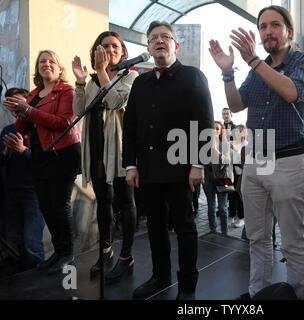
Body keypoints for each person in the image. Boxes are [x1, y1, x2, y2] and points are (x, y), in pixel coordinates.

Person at [209, 5, 304, 299]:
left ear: (289, 31)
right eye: (263, 27)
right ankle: (258, 295)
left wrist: (254, 61)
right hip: (256, 163)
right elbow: (235, 105)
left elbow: (293, 91)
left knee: (292, 243)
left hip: (288, 161)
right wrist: (227, 73)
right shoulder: (257, 70)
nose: (267, 31)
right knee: (257, 239)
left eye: (274, 25)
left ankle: (297, 297)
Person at [123, 21, 214, 300]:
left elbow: (204, 122)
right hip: (148, 168)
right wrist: (130, 164)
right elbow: (131, 126)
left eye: (165, 37)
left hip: (182, 167)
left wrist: (199, 164)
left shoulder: (193, 76)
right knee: (154, 226)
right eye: (153, 38)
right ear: (148, 48)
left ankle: (187, 286)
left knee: (185, 227)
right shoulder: (140, 82)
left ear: (176, 45)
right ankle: (159, 276)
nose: (159, 41)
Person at [3, 50, 81, 275]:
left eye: (51, 61)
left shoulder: (65, 90)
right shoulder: (34, 93)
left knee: (59, 206)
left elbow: (64, 122)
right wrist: (18, 113)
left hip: (62, 154)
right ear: (38, 68)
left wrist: (29, 110)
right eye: (42, 62)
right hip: (40, 155)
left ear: (59, 68)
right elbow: (23, 128)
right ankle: (58, 253)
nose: (46, 64)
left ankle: (68, 255)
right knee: (46, 207)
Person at [72, 31, 138, 282]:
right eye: (104, 46)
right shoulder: (91, 81)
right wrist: (80, 81)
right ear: (96, 50)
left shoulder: (131, 76)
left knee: (125, 202)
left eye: (114, 46)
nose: (109, 50)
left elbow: (115, 102)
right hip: (96, 149)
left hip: (120, 150)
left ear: (122, 51)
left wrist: (101, 72)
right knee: (104, 201)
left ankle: (126, 255)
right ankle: (106, 250)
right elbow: (78, 111)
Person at [0, 88, 45, 271]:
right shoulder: (7, 130)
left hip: (34, 192)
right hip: (12, 192)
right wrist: (7, 152)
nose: (15, 106)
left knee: (32, 242)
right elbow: (1, 160)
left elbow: (47, 159)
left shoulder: (39, 127)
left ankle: (37, 285)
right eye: (11, 103)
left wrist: (23, 150)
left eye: (18, 102)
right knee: (16, 239)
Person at [203, 121, 231, 235]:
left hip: (221, 177)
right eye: (212, 128)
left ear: (220, 131)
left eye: (217, 128)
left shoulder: (225, 144)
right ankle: (212, 230)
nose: (214, 130)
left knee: (223, 208)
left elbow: (227, 161)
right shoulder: (204, 144)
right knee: (211, 205)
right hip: (208, 176)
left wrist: (215, 150)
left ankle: (225, 232)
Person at [228, 124, 247, 227]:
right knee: (231, 195)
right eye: (235, 132)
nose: (237, 133)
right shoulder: (232, 142)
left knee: (239, 196)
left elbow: (243, 160)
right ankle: (231, 216)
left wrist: (234, 149)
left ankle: (241, 218)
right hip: (231, 173)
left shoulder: (246, 144)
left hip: (241, 174)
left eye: (239, 131)